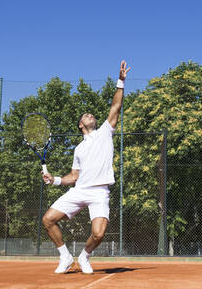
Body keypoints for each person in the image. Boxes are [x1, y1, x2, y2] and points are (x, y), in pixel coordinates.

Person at [42, 60, 130, 274]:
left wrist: (121, 81)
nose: (90, 115)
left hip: (100, 191)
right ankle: (65, 256)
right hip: (80, 190)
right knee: (48, 219)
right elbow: (73, 176)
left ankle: (84, 257)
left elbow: (116, 106)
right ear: (81, 125)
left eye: (92, 115)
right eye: (86, 116)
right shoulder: (78, 149)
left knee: (99, 234)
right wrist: (54, 180)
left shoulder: (105, 132)